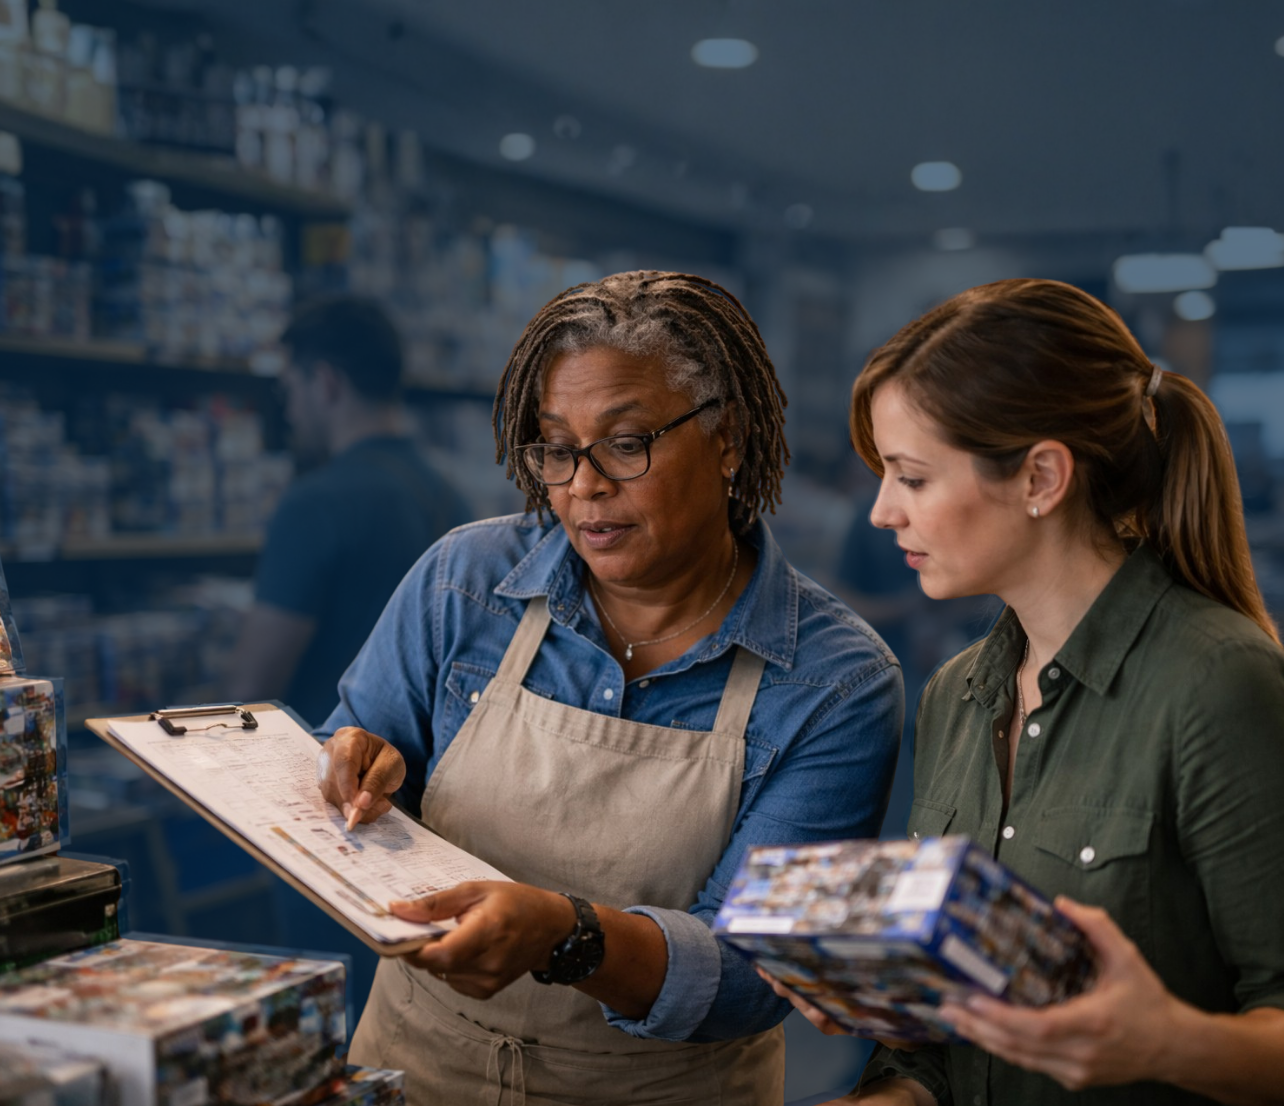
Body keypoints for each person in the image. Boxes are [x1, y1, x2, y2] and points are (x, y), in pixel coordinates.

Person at [315, 270, 904, 1104]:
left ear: (728, 437)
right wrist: (348, 763)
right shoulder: (463, 584)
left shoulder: (834, 683)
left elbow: (753, 973)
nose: (584, 485)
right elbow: (345, 767)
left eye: (627, 443)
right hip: (416, 1068)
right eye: (557, 448)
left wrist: (566, 936)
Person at [768, 278, 1284, 1105]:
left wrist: (1169, 1044)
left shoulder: (1216, 682)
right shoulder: (954, 698)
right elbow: (942, 1043)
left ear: (1041, 476)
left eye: (912, 478)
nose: (880, 513)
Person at [228, 296, 469, 728]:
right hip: (417, 769)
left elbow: (252, 686)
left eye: (290, 390)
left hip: (322, 770)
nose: (289, 411)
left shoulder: (315, 504)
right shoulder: (451, 497)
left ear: (325, 383)